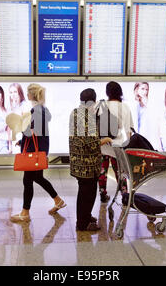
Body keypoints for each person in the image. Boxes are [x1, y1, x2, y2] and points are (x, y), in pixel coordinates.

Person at [10, 83, 66, 222]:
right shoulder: (41, 109)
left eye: (28, 93)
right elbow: (37, 133)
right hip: (39, 151)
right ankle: (58, 200)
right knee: (37, 178)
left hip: (34, 153)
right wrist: (22, 141)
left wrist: (20, 129)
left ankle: (25, 212)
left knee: (28, 180)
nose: (26, 94)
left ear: (31, 95)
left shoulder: (37, 111)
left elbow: (34, 132)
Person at [69, 88, 113, 231]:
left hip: (77, 161)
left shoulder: (75, 112)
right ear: (93, 101)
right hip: (87, 164)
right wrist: (104, 139)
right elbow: (90, 143)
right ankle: (82, 223)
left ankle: (86, 216)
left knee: (84, 192)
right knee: (87, 193)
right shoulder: (88, 116)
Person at [97, 81, 134, 202]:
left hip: (102, 144)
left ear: (107, 93)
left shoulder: (100, 105)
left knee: (102, 170)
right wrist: (129, 145)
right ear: (120, 92)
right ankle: (124, 195)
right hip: (117, 144)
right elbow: (129, 130)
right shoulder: (124, 107)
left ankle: (102, 193)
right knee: (120, 171)